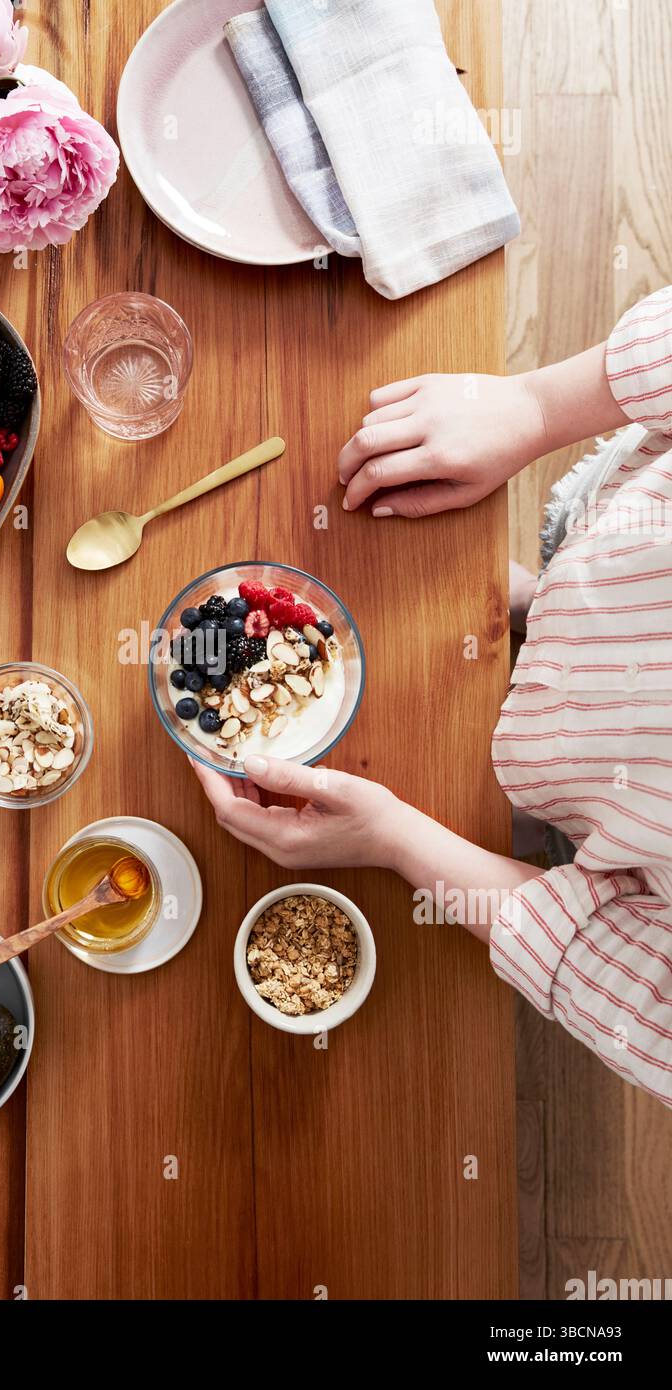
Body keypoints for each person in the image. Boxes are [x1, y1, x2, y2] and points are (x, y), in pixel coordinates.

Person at [193, 285, 672, 1108]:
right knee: (571, 570)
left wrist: (394, 838)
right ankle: (538, 601)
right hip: (626, 534)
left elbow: (610, 970)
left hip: (597, 814)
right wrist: (535, 403)